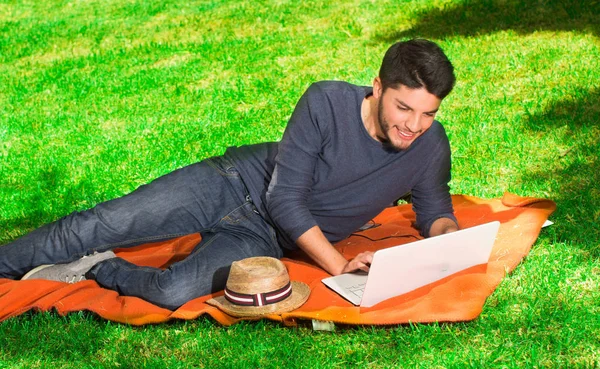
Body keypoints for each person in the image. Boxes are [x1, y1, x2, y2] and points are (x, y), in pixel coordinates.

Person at [0, 39, 458, 310]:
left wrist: (450, 240)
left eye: (428, 114)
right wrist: (340, 267)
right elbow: (285, 200)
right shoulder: (326, 102)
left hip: (266, 239)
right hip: (231, 183)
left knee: (174, 290)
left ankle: (99, 266)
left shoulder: (429, 145)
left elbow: (434, 208)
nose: (413, 126)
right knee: (101, 223)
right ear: (378, 87)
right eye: (403, 108)